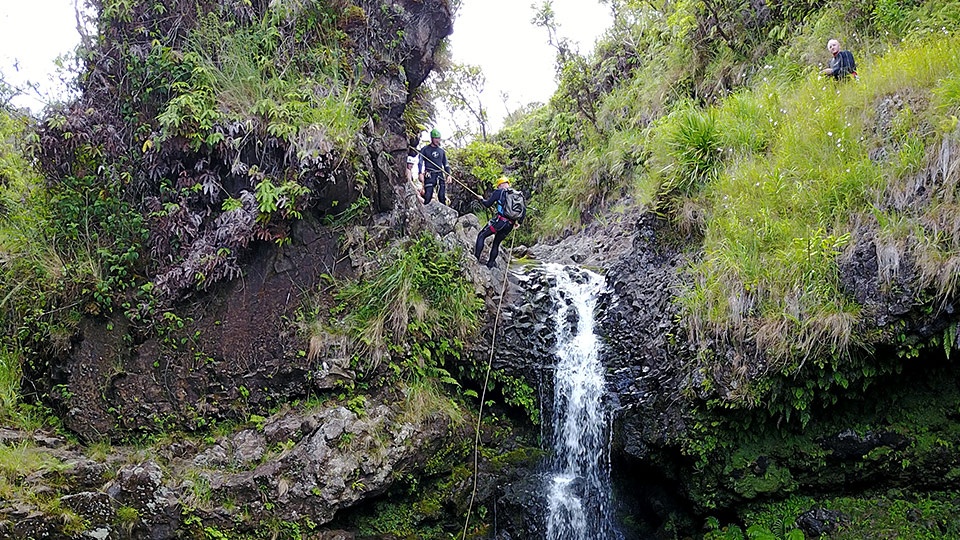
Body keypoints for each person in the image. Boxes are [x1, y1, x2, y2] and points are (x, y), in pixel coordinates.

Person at [475, 177, 524, 269]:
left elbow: (487, 204)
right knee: (496, 243)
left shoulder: (499, 192)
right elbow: (523, 210)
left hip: (500, 222)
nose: (497, 188)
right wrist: (519, 222)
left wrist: (481, 199)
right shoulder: (517, 194)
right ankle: (490, 264)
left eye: (498, 186)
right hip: (510, 225)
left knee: (481, 235)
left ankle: (475, 258)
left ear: (501, 185)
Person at [418, 129, 451, 204]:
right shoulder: (425, 149)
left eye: (439, 138)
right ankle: (426, 210)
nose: (437, 140)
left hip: (439, 174)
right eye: (436, 138)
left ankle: (444, 210)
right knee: (428, 196)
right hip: (429, 174)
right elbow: (420, 162)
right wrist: (420, 173)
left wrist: (448, 175)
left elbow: (446, 164)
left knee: (441, 196)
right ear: (431, 138)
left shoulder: (441, 151)